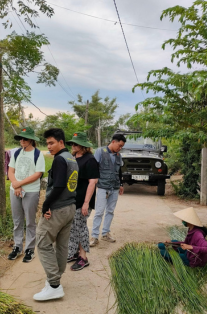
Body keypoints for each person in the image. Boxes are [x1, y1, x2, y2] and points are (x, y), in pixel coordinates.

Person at [33, 128, 79, 301]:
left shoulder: (60, 160)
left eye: (51, 143)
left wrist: (46, 205)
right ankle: (56, 280)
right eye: (47, 143)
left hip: (58, 208)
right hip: (70, 207)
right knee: (61, 245)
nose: (49, 147)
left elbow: (58, 186)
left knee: (42, 242)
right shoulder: (71, 159)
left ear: (61, 142)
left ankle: (53, 285)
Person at [7, 127, 45, 263]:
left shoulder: (37, 154)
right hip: (15, 190)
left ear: (31, 140)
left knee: (30, 221)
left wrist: (20, 184)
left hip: (31, 191)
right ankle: (17, 246)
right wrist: (15, 184)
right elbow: (10, 171)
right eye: (21, 138)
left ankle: (29, 248)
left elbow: (38, 174)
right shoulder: (16, 153)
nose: (22, 141)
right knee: (17, 221)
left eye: (25, 139)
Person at [66, 132, 99, 271]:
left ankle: (83, 257)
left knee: (81, 228)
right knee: (73, 227)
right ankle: (74, 252)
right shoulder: (73, 158)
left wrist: (86, 202)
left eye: (75, 144)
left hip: (83, 200)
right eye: (72, 143)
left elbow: (93, 182)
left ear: (83, 146)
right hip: (73, 199)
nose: (73, 146)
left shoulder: (90, 160)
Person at [90, 133, 126, 247]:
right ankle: (94, 236)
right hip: (102, 187)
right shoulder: (100, 152)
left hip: (114, 188)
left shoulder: (118, 155)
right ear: (113, 141)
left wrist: (120, 184)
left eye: (121, 147)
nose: (119, 148)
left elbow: (119, 171)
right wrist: (93, 181)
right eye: (119, 145)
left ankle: (105, 233)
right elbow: (94, 167)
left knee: (110, 211)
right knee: (99, 212)